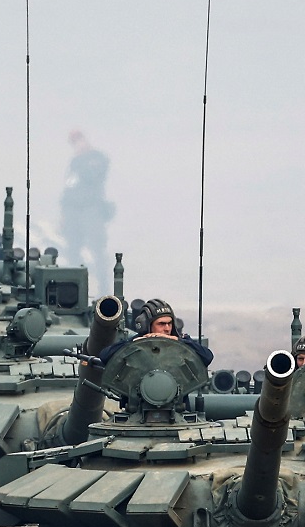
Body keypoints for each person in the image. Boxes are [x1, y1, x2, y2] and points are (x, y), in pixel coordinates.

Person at [59, 130, 115, 291]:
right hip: (73, 212)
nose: (77, 145)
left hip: (91, 210)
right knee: (72, 250)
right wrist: (64, 213)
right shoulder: (75, 161)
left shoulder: (97, 158)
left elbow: (92, 177)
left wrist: (82, 158)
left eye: (78, 140)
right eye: (73, 142)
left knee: (97, 250)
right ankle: (75, 288)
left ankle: (104, 288)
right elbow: (69, 187)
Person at [99, 298, 213, 367]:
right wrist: (134, 344)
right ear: (147, 325)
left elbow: (207, 357)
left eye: (170, 323)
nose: (167, 328)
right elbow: (104, 356)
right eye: (161, 324)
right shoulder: (136, 341)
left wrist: (178, 342)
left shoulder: (181, 341)